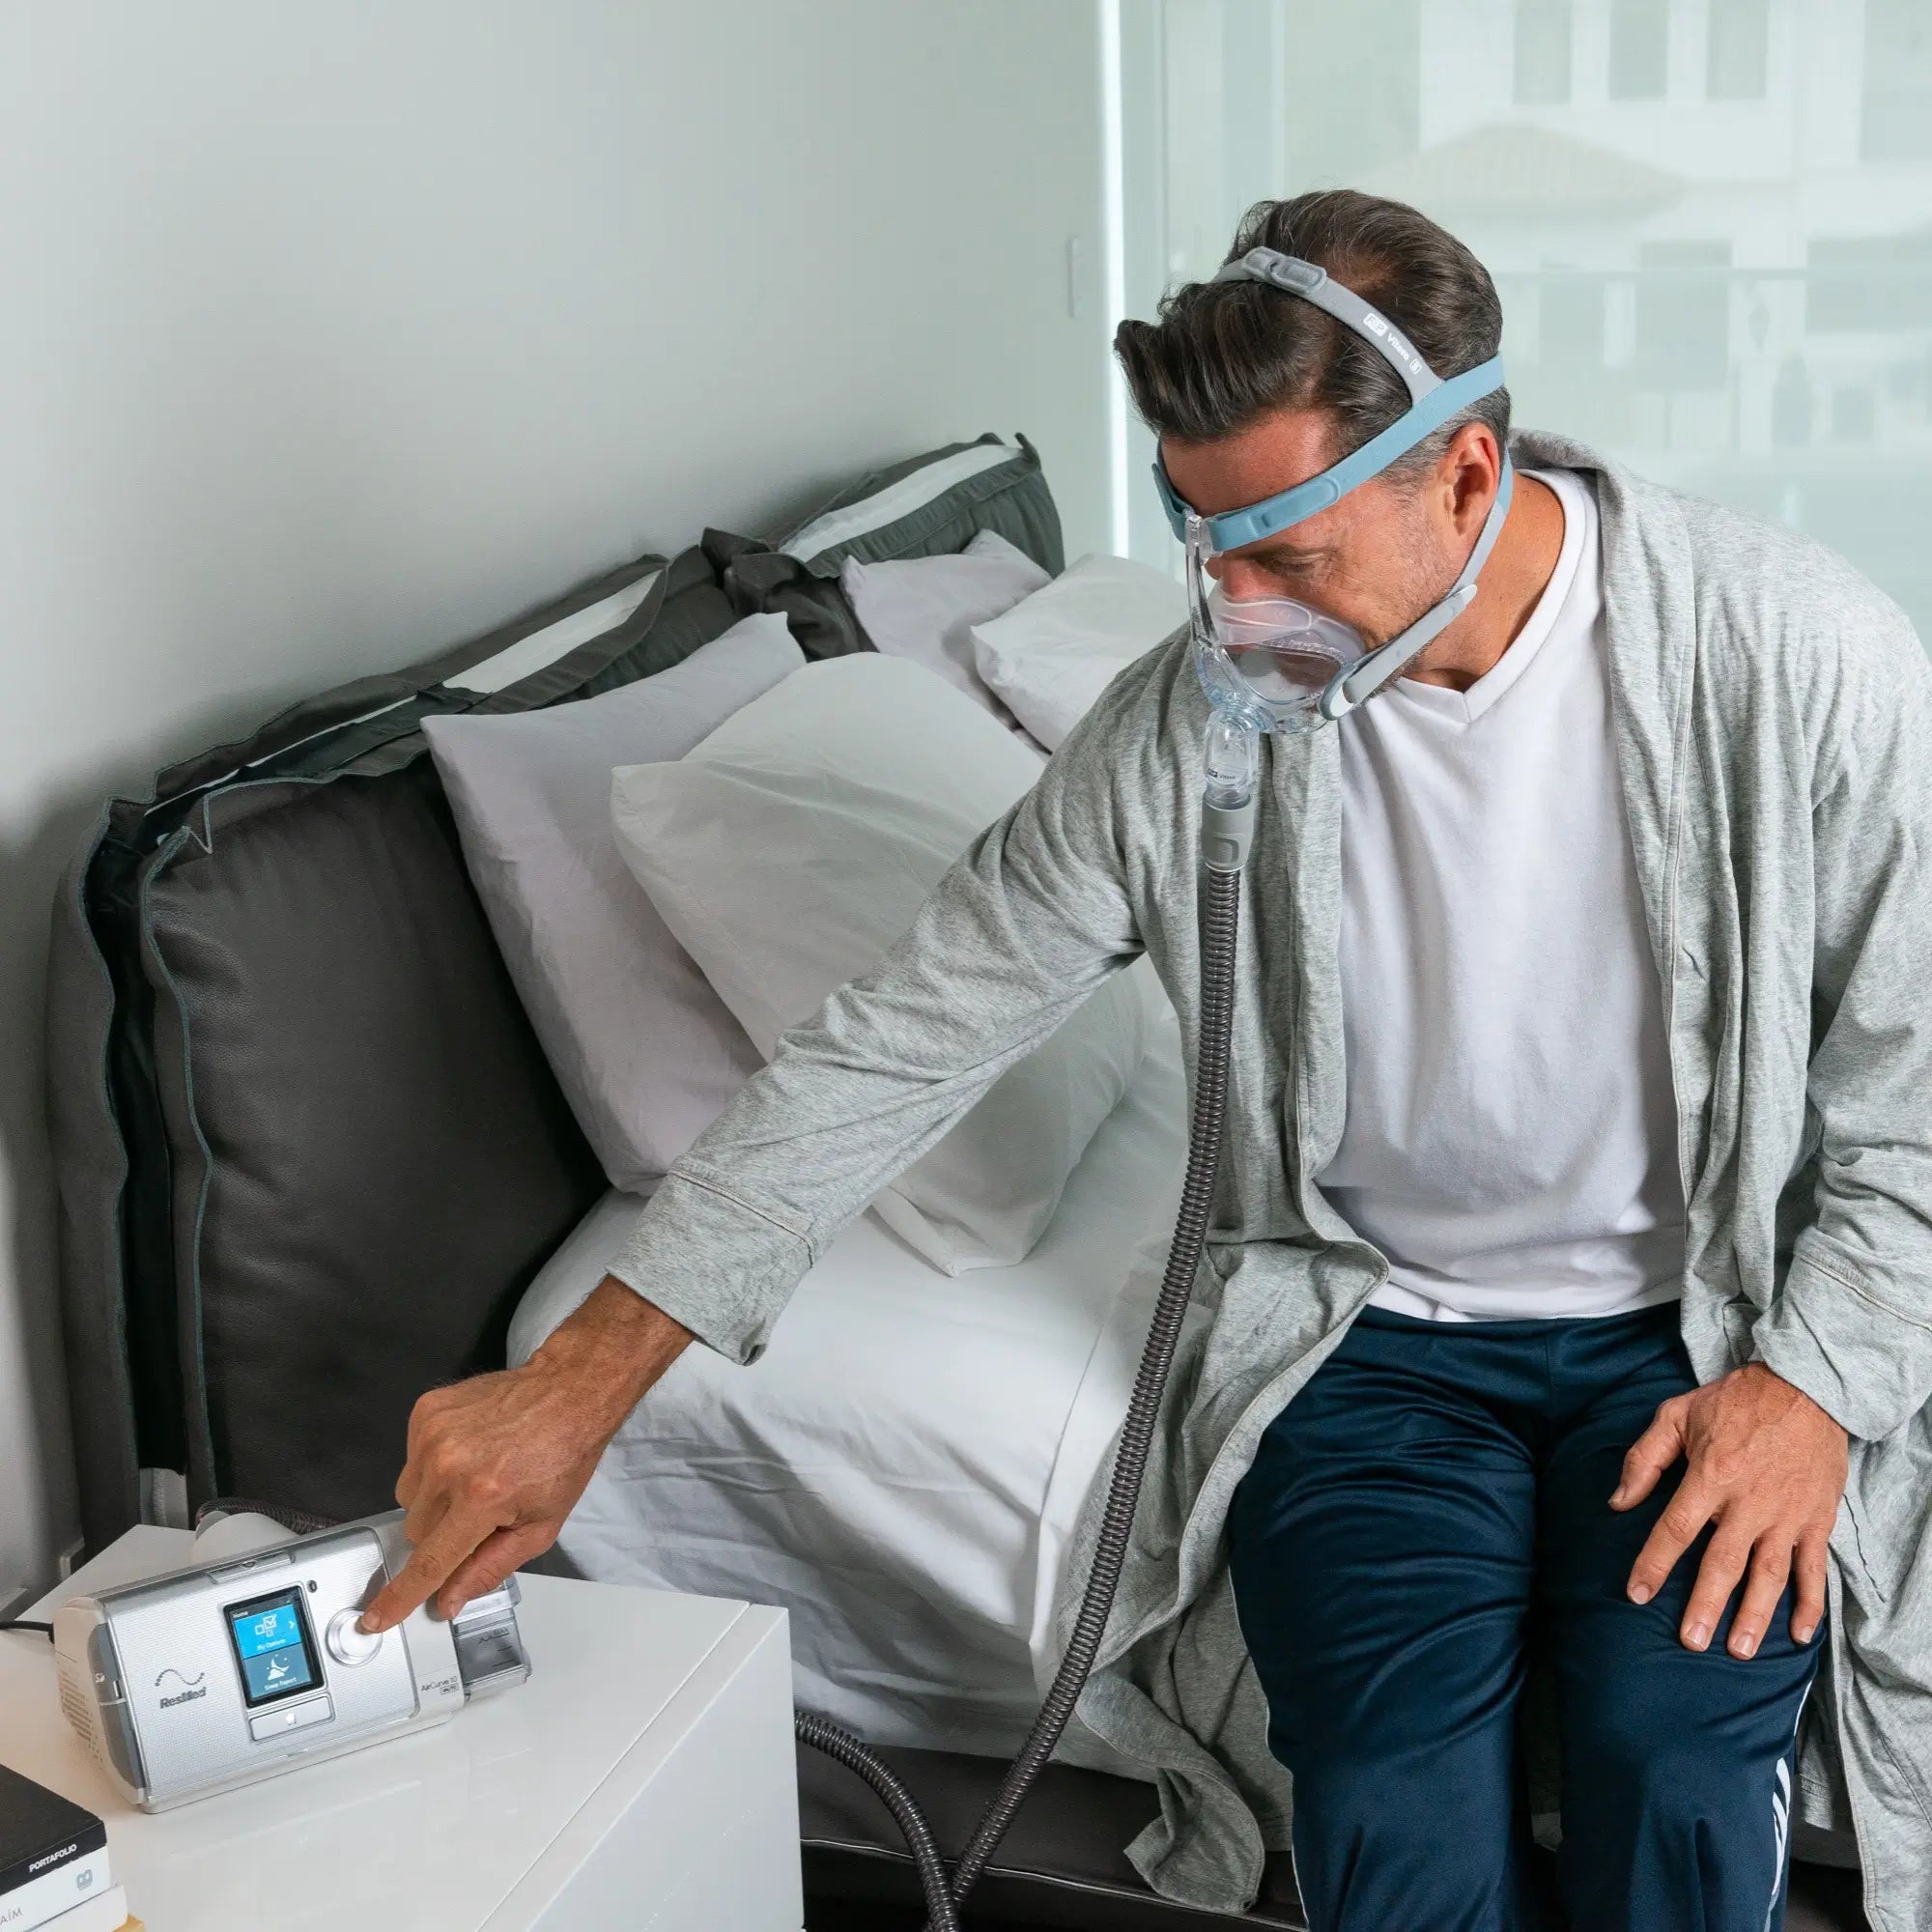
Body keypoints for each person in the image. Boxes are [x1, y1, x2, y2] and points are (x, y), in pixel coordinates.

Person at [358, 190, 1932, 1930]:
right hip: (1376, 1335)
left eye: (1289, 551)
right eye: (1201, 540)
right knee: (1392, 1819)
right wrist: (579, 1381)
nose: (1231, 606)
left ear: (1466, 480)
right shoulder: (1192, 724)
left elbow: (1919, 1098)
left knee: (1681, 1779)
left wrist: (1815, 1391)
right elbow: (903, 1038)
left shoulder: (1799, 660)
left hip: (1696, 1325)